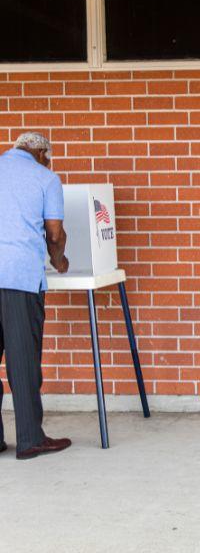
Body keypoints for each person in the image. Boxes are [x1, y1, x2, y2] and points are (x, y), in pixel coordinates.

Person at [0, 132, 72, 460]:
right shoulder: (46, 178)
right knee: (23, 361)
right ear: (41, 153)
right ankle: (30, 439)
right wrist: (60, 262)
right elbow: (54, 232)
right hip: (19, 278)